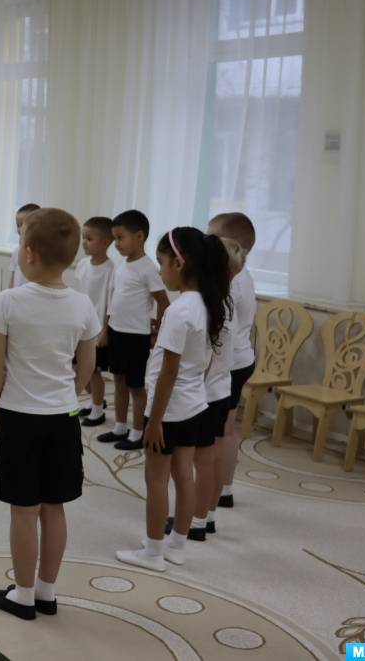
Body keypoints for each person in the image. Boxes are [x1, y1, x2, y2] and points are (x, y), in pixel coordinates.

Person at [0, 208, 100, 620]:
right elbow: (87, 365)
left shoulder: (9, 302)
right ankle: (47, 591)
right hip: (63, 418)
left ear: (29, 253)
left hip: (19, 417)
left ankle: (23, 594)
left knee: (23, 510)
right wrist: (70, 394)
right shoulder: (82, 304)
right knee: (54, 506)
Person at [114, 228, 228, 573]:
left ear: (179, 264)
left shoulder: (179, 311)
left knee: (157, 479)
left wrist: (154, 421)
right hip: (193, 405)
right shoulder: (206, 303)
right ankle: (177, 545)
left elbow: (168, 371)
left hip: (169, 409)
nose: (160, 271)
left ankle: (152, 551)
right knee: (184, 476)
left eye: (162, 262)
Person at [97, 210, 169, 451]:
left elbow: (163, 302)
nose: (116, 244)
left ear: (139, 236)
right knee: (118, 380)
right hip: (116, 331)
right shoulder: (121, 266)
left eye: (120, 238)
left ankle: (138, 432)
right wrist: (106, 329)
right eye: (114, 239)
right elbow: (114, 300)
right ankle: (120, 427)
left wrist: (157, 333)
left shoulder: (148, 268)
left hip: (136, 336)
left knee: (135, 386)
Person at [186, 236, 243, 541]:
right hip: (220, 390)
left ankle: (197, 521)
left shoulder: (211, 306)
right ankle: (206, 516)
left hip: (206, 395)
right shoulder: (225, 300)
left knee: (201, 461)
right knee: (209, 457)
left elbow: (205, 360)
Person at [208, 212, 258, 510]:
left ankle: (215, 492)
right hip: (239, 359)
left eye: (211, 237)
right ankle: (223, 488)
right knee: (225, 428)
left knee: (220, 432)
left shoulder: (231, 284)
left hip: (229, 364)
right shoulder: (240, 276)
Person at [74, 216, 115, 426]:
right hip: (80, 327)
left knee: (94, 371)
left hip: (97, 330)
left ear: (106, 242)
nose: (84, 242)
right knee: (80, 368)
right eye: (83, 237)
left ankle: (98, 411)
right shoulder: (82, 265)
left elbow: (111, 304)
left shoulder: (111, 270)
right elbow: (78, 295)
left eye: (89, 239)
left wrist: (105, 330)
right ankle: (94, 402)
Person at [8, 203, 40, 289]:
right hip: (16, 295)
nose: (19, 229)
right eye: (17, 225)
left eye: (22, 224)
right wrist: (9, 293)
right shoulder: (16, 251)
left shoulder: (42, 253)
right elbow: (12, 279)